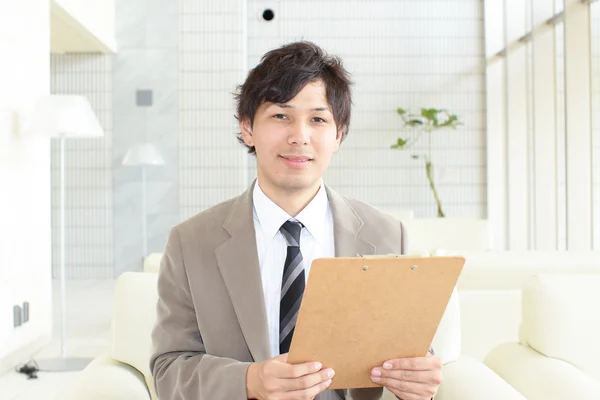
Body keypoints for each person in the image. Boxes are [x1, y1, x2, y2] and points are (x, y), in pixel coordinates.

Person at [150, 41, 442, 400]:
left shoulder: (386, 235)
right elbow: (168, 370)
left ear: (338, 135)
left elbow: (405, 347)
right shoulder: (191, 242)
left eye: (318, 119)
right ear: (247, 128)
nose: (299, 136)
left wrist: (417, 373)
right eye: (280, 116)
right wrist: (250, 381)